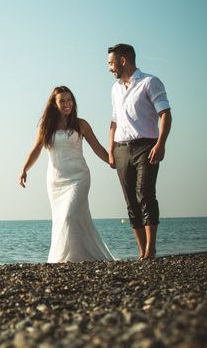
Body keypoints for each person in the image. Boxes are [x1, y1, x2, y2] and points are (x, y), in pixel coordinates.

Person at [19, 86, 115, 263]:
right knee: (65, 218)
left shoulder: (81, 124)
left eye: (69, 100)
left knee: (68, 215)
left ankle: (72, 257)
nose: (66, 104)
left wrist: (112, 161)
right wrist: (25, 169)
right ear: (54, 104)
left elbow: (97, 147)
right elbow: (36, 149)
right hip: (56, 180)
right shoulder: (46, 127)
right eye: (62, 100)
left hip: (79, 177)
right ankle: (75, 258)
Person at [107, 43, 171, 260]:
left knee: (145, 194)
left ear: (123, 60)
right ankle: (141, 250)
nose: (109, 68)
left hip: (146, 146)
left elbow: (165, 114)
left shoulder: (149, 82)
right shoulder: (115, 88)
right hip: (122, 149)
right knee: (130, 201)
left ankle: (151, 248)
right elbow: (114, 121)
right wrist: (111, 149)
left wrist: (160, 144)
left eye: (111, 63)